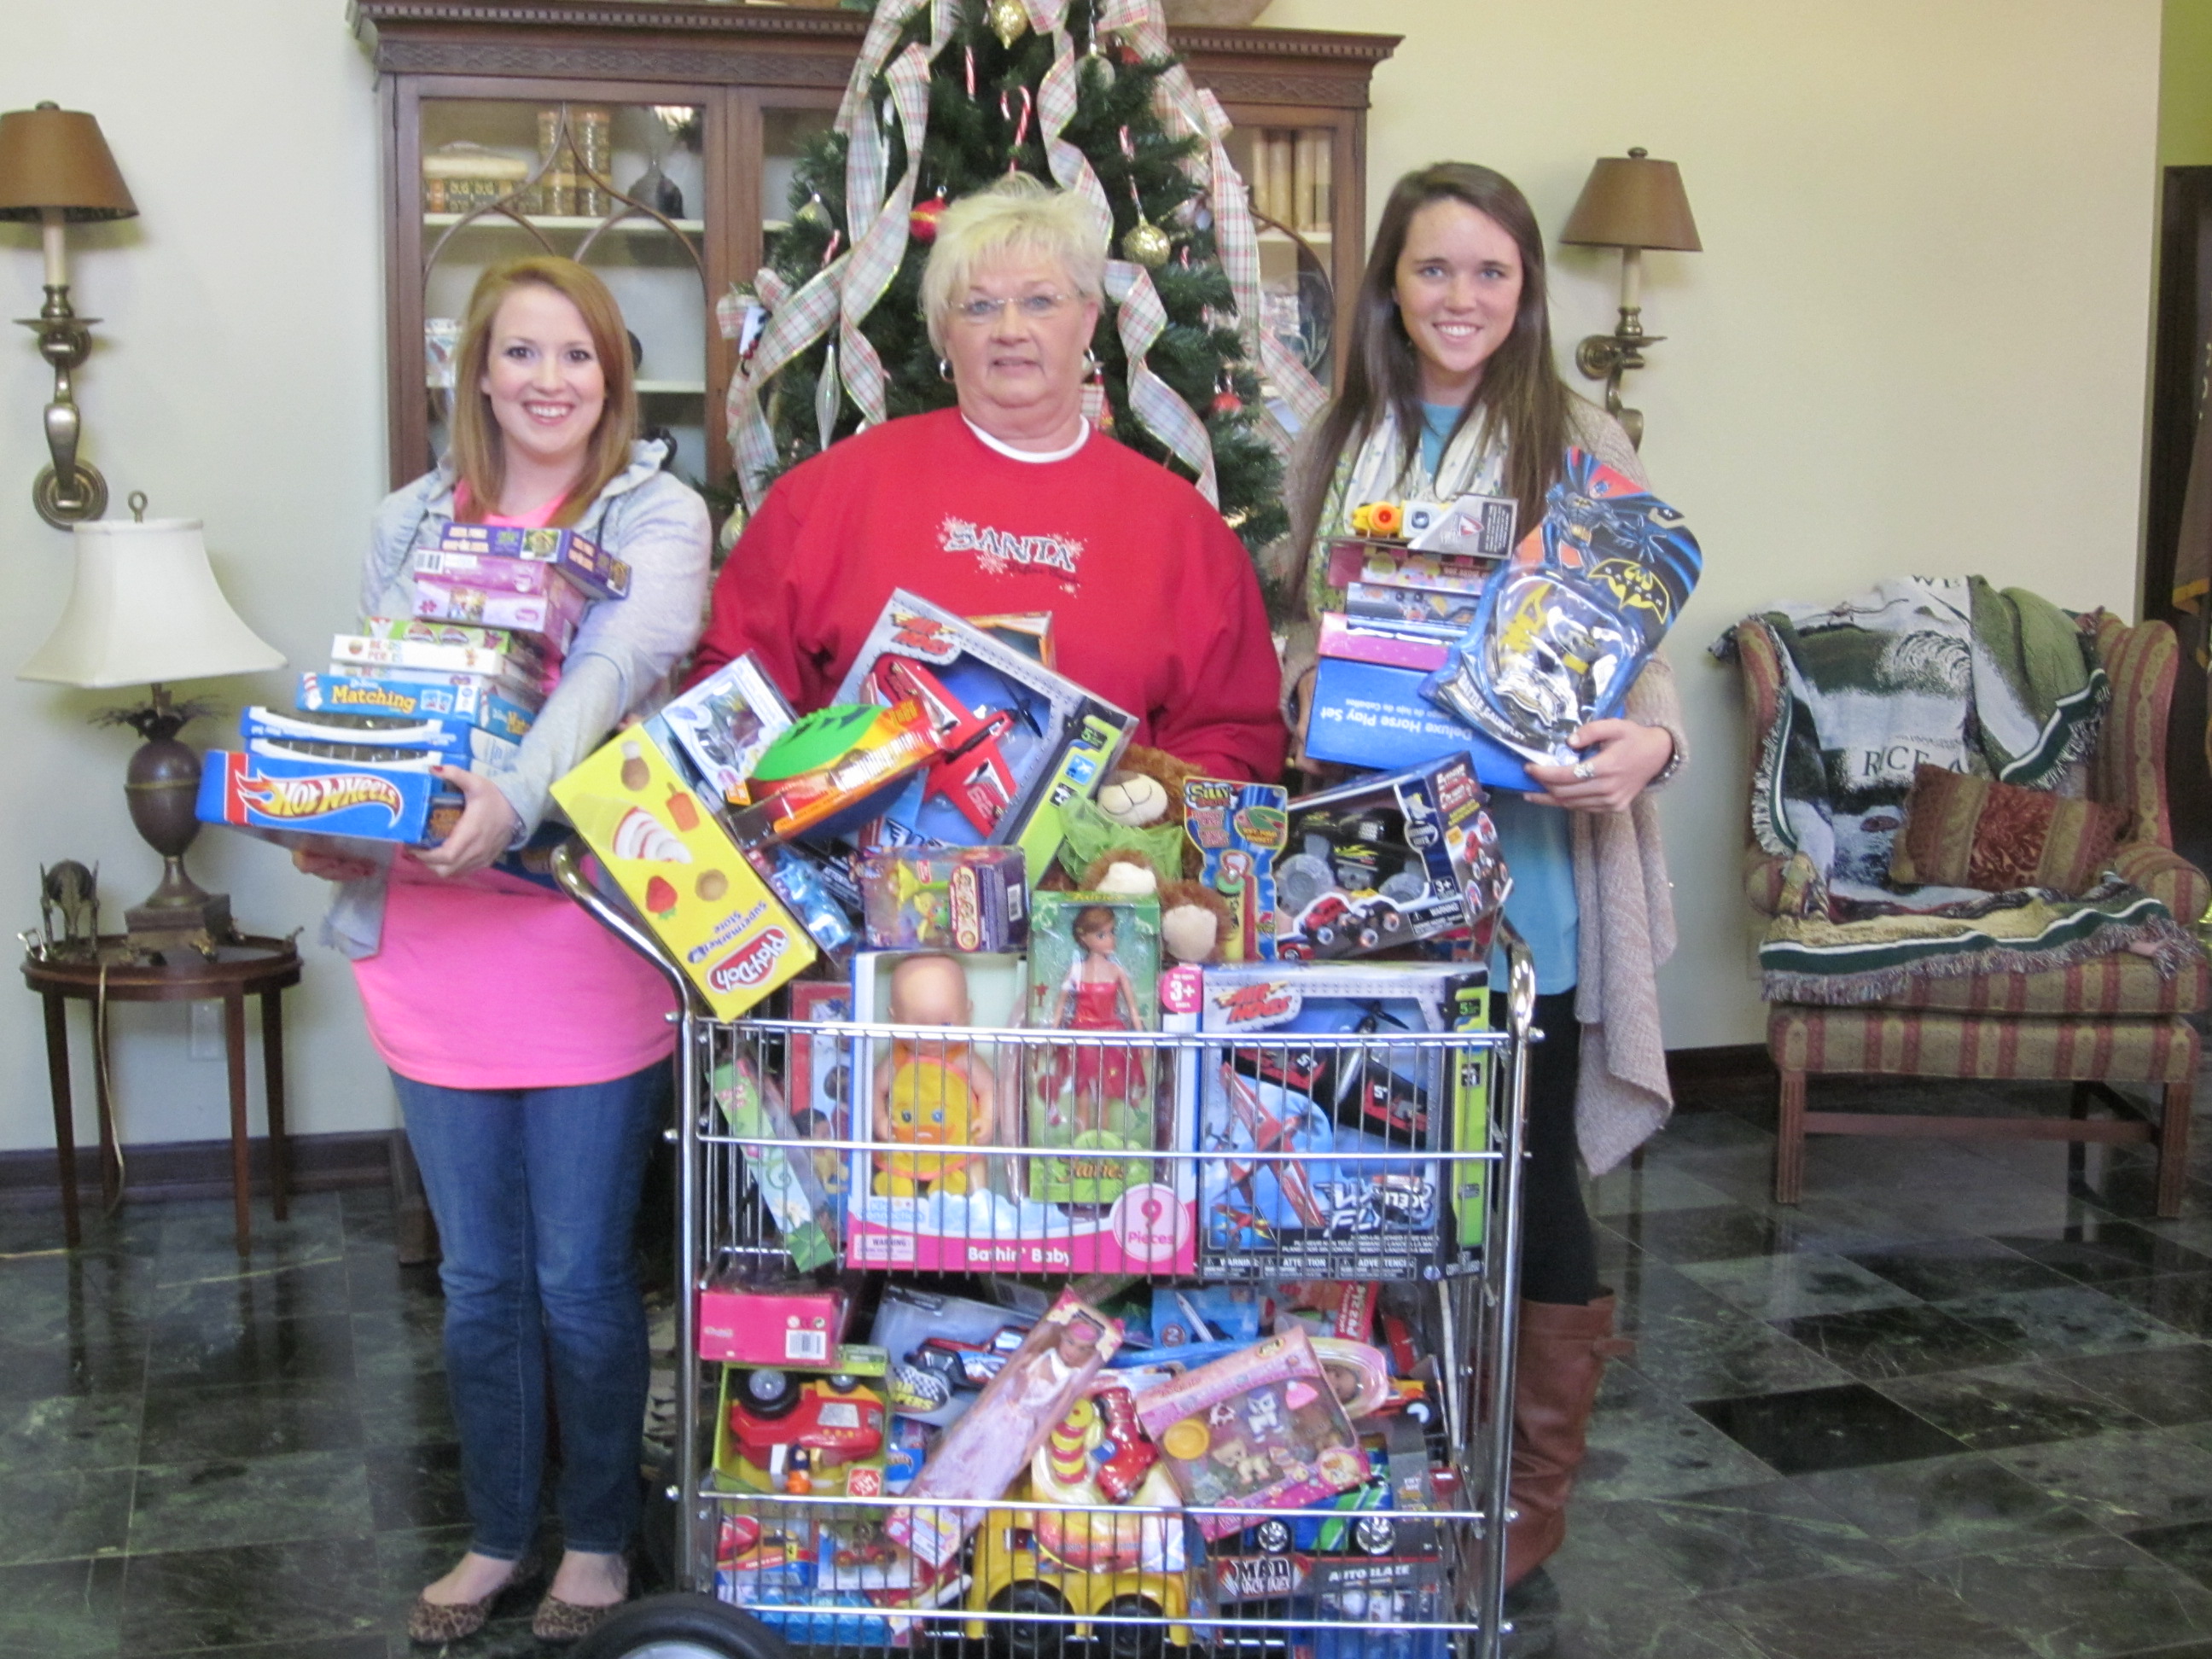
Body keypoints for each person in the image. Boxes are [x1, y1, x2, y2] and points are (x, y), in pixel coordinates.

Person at [1274, 163, 1685, 1639]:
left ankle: (1524, 1498)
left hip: (1529, 896)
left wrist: (1651, 740)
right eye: (1432, 269)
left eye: (1489, 273)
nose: (1459, 298)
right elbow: (1289, 629)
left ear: (1526, 293)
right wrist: (1307, 673)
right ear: (1390, 283)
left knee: (1525, 1190)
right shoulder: (1331, 443)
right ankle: (1381, 1455)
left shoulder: (1577, 440)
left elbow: (1640, 656)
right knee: (1367, 1184)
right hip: (1371, 882)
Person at [295, 255, 710, 1646]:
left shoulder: (657, 511)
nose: (550, 381)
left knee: (582, 1275)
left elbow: (610, 671)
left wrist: (511, 803)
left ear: (612, 374)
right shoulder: (408, 520)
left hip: (584, 945)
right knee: (478, 1278)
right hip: (432, 951)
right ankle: (492, 1530)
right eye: (521, 354)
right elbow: (378, 699)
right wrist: (343, 821)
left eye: (577, 355)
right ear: (476, 371)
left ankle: (594, 1531)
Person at [690, 172, 1285, 783]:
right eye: (978, 306)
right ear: (946, 332)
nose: (1009, 329)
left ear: (1086, 321)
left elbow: (1233, 736)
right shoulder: (830, 494)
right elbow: (729, 693)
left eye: (1039, 301)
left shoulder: (1179, 527)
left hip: (1101, 872)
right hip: (858, 870)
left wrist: (1141, 828)